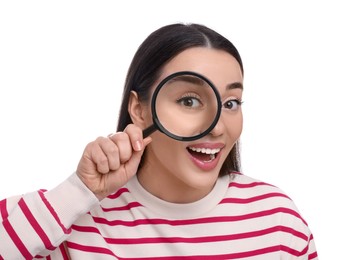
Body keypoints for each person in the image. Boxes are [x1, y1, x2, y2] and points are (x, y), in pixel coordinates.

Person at [0, 23, 318, 259]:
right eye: (190, 100)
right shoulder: (74, 221)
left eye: (231, 102)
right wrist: (79, 191)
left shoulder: (276, 219)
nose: (218, 127)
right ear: (139, 109)